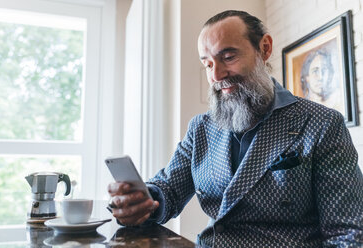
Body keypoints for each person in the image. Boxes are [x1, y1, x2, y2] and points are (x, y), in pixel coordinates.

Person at [108, 10, 363, 247]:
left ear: (264, 49)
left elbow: (347, 232)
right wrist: (142, 201)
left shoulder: (322, 123)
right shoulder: (201, 128)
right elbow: (168, 189)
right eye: (207, 64)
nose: (216, 75)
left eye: (228, 57)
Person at [300, 48, 343, 113]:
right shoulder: (302, 109)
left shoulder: (338, 100)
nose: (320, 77)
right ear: (307, 77)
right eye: (315, 71)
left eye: (324, 70)